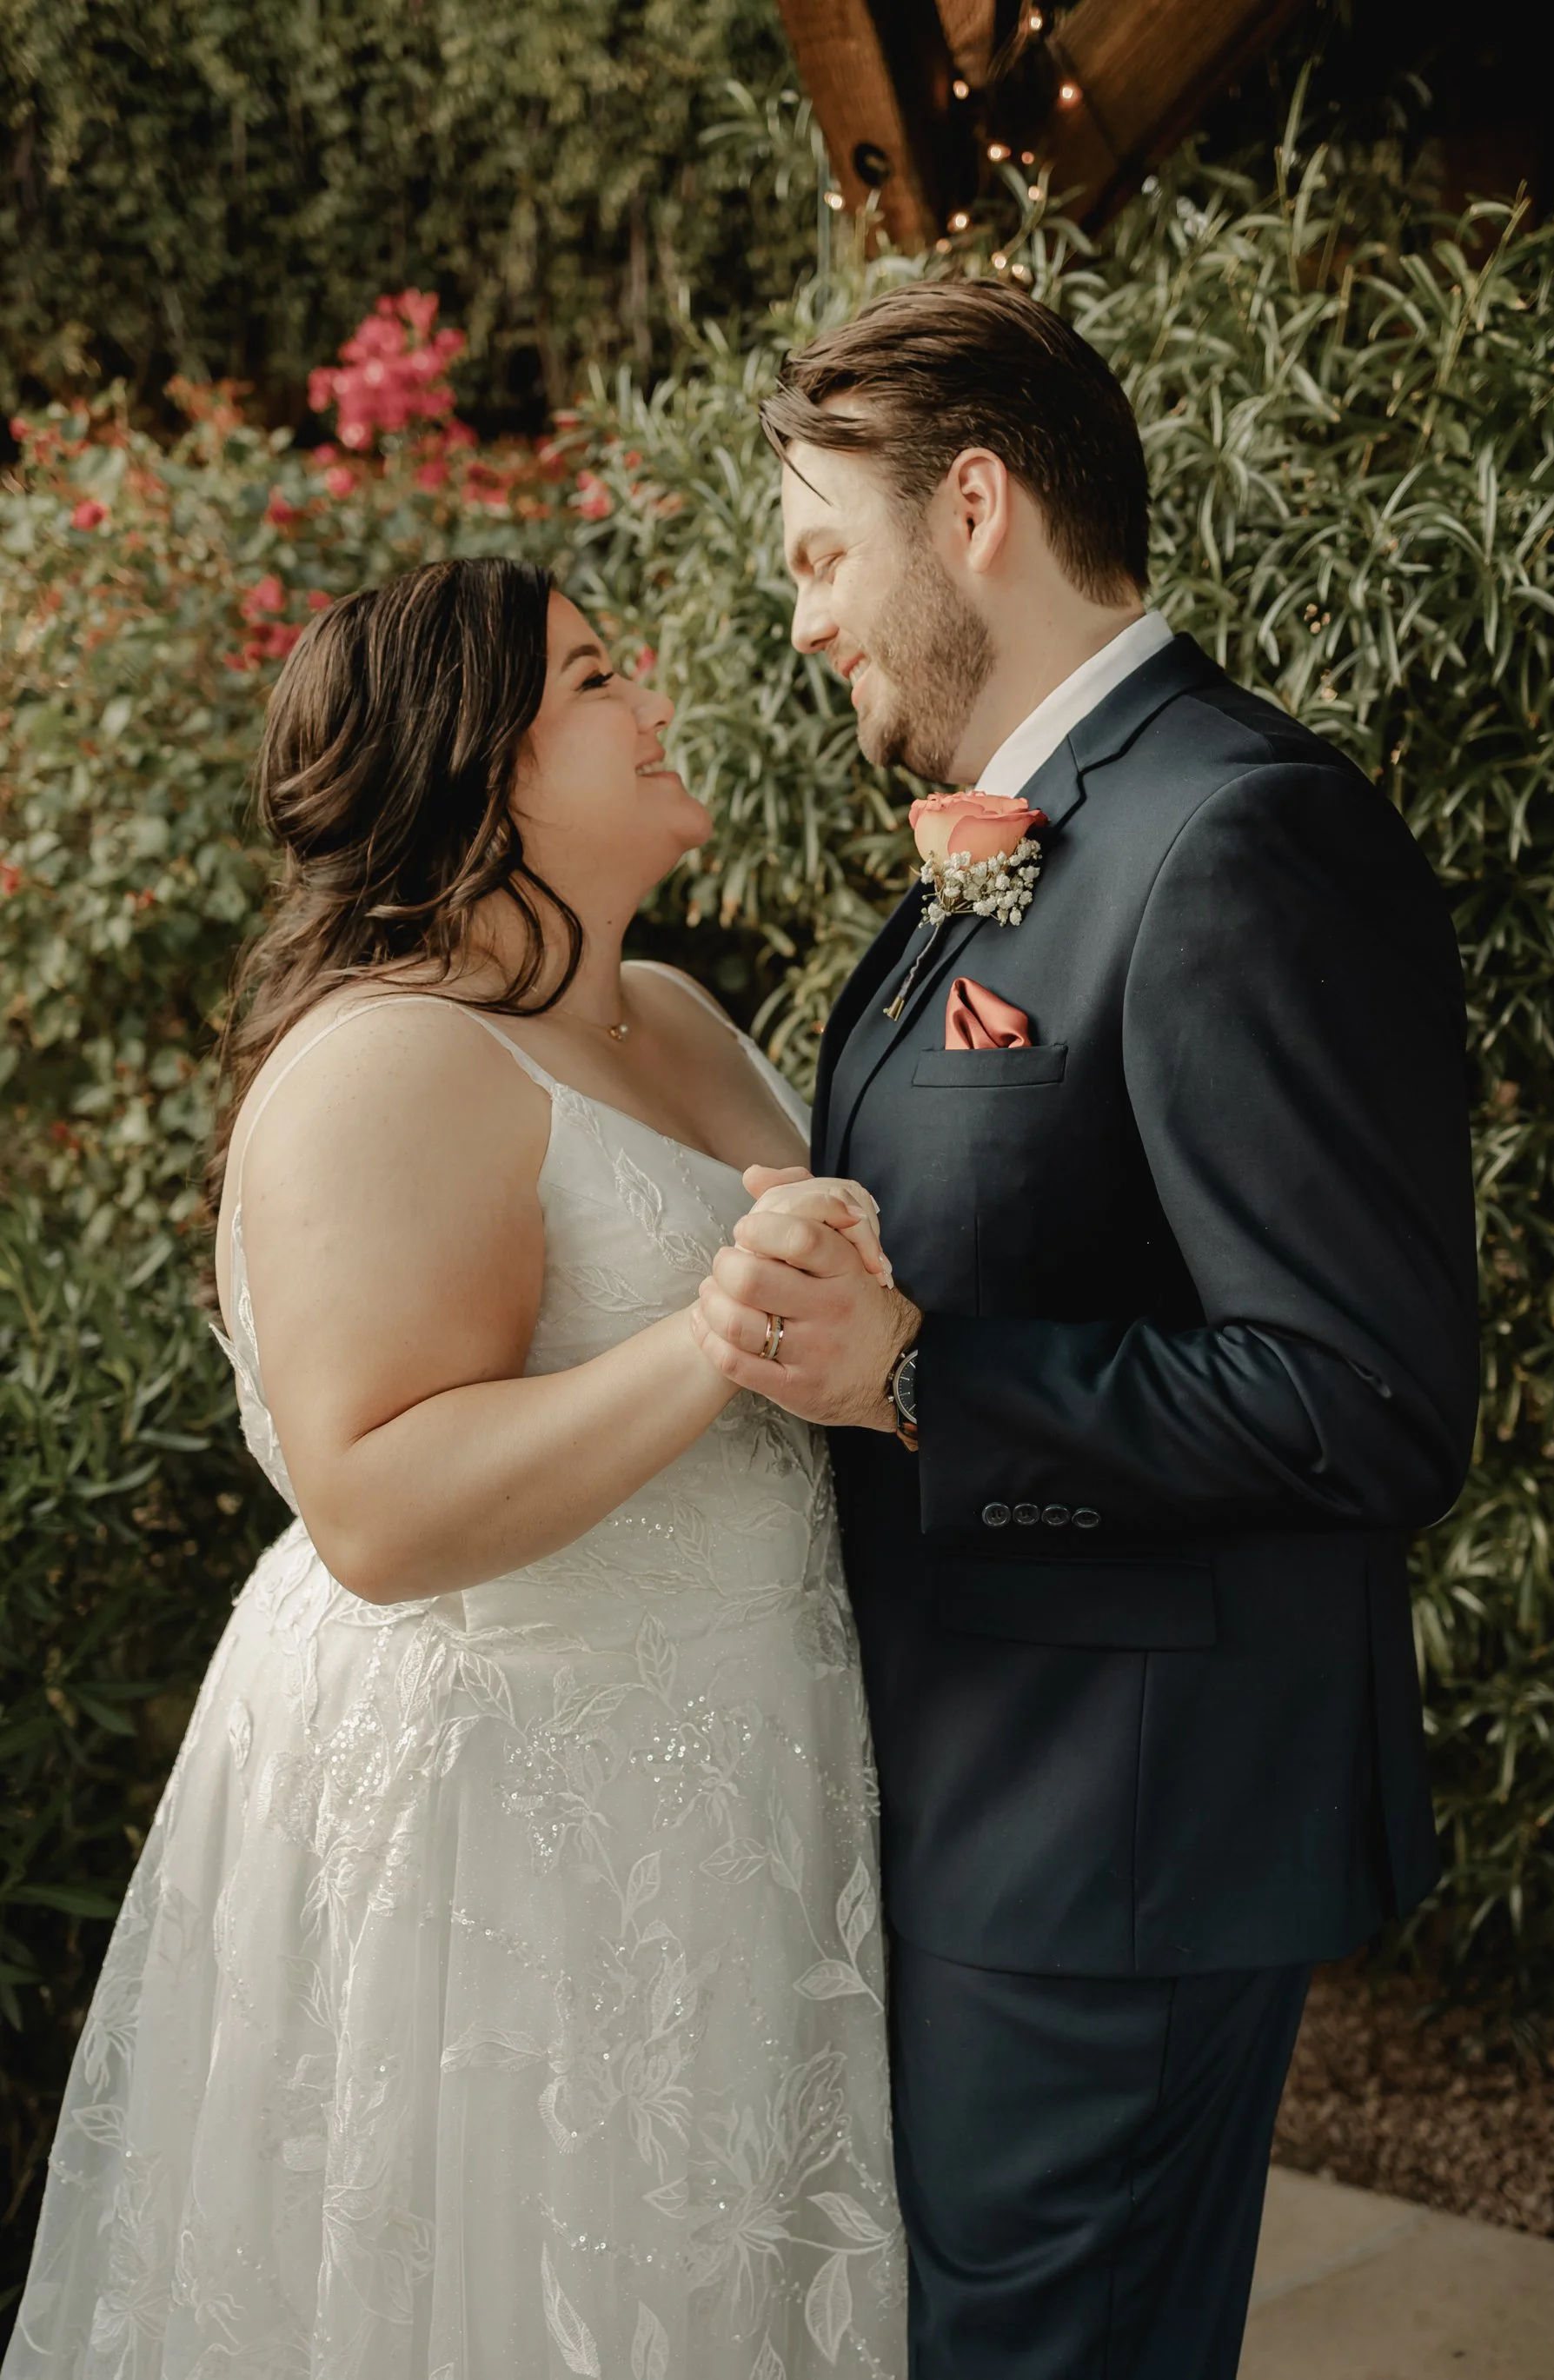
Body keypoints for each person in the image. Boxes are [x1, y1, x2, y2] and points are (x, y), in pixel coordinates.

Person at [693, 281, 1479, 2378]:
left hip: (1112, 1844)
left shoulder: (1238, 834)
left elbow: (1366, 1395)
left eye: (821, 557)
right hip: (985, 1806)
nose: (804, 622)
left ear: (974, 510)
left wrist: (917, 1371)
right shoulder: (1040, 832)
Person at [5, 559, 904, 2379]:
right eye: (594, 676)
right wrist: (711, 1334)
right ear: (478, 766)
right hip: (507, 1830)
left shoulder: (668, 1009)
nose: (651, 697)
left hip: (735, 1774)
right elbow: (376, 1502)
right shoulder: (394, 1058)